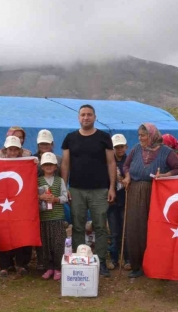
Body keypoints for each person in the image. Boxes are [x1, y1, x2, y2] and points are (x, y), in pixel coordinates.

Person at [61, 104, 116, 277]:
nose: (86, 117)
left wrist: (112, 187)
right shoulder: (70, 138)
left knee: (100, 226)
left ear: (95, 117)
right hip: (76, 189)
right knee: (77, 226)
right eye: (83, 115)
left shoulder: (104, 137)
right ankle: (79, 259)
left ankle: (100, 260)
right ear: (78, 117)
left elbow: (111, 163)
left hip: (100, 190)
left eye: (89, 115)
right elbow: (65, 164)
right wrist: (65, 187)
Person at [122, 124, 178, 278]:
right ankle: (137, 266)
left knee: (154, 229)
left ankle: (156, 265)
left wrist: (166, 175)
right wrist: (128, 176)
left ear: (152, 135)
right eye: (139, 135)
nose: (140, 138)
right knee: (135, 228)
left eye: (143, 135)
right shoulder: (136, 149)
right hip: (135, 192)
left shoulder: (166, 151)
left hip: (156, 194)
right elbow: (126, 165)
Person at [0, 136, 34, 277]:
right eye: (10, 149)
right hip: (2, 205)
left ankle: (20, 264)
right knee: (2, 232)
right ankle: (4, 266)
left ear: (20, 151)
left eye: (15, 150)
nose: (13, 152)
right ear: (5, 150)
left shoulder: (26, 164)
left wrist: (33, 163)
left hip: (20, 205)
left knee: (20, 232)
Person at [37, 152, 69, 281]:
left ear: (56, 167)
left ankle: (57, 268)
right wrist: (41, 197)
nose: (49, 167)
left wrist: (55, 199)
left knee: (58, 244)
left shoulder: (59, 180)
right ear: (42, 167)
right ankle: (48, 267)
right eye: (46, 164)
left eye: (51, 164)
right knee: (45, 245)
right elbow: (32, 196)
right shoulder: (37, 181)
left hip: (57, 217)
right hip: (43, 218)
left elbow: (65, 197)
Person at [107, 134, 131, 271]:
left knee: (126, 230)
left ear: (126, 146)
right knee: (114, 231)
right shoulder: (108, 162)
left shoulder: (130, 161)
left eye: (121, 146)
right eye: (116, 147)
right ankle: (114, 258)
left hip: (125, 199)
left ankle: (127, 258)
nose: (119, 149)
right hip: (112, 202)